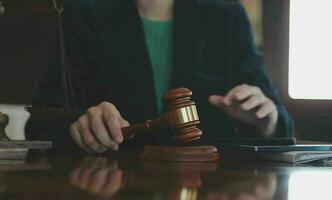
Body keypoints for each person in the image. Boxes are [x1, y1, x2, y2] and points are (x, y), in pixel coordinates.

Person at [26, 0, 293, 153]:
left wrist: (266, 121)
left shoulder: (226, 15)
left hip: (211, 188)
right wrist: (80, 124)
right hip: (112, 188)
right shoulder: (83, 13)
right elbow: (42, 121)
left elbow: (279, 123)